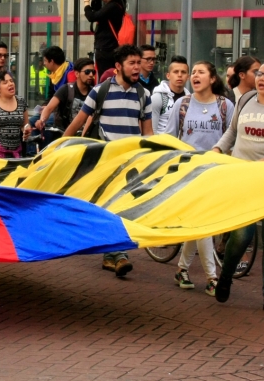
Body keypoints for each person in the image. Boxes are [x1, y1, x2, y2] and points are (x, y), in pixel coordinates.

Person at [63, 44, 153, 278]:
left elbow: (148, 133)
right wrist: (60, 147)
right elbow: (78, 123)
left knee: (121, 207)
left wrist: (154, 157)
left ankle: (113, 254)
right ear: (118, 67)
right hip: (105, 161)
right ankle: (118, 254)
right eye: (132, 63)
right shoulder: (100, 91)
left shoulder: (144, 95)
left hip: (131, 162)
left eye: (138, 62)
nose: (137, 67)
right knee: (108, 207)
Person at [213, 61, 264, 313]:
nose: (261, 78)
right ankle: (226, 277)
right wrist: (218, 148)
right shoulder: (245, 100)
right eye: (259, 73)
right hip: (243, 178)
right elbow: (232, 132)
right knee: (242, 235)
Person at [164, 61, 234, 296]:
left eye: (200, 72)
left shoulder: (226, 106)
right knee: (203, 222)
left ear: (212, 78)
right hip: (188, 172)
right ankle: (213, 278)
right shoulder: (182, 104)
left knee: (199, 223)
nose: (194, 75)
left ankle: (182, 269)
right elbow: (169, 138)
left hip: (216, 171)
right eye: (192, 72)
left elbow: (231, 138)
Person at [35, 57, 96, 133]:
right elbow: (49, 108)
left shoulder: (95, 92)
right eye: (87, 72)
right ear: (77, 73)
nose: (91, 75)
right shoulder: (66, 89)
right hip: (64, 136)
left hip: (86, 137)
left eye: (93, 72)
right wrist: (42, 121)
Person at [83, 0, 128, 75]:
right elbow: (98, 12)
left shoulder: (113, 6)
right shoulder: (117, 5)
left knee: (106, 77)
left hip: (106, 49)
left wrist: (86, 2)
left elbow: (92, 16)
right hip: (108, 48)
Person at [150, 56, 190, 134]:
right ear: (168, 75)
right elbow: (152, 130)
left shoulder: (190, 100)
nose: (179, 75)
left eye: (183, 72)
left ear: (188, 77)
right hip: (162, 144)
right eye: (176, 72)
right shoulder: (158, 98)